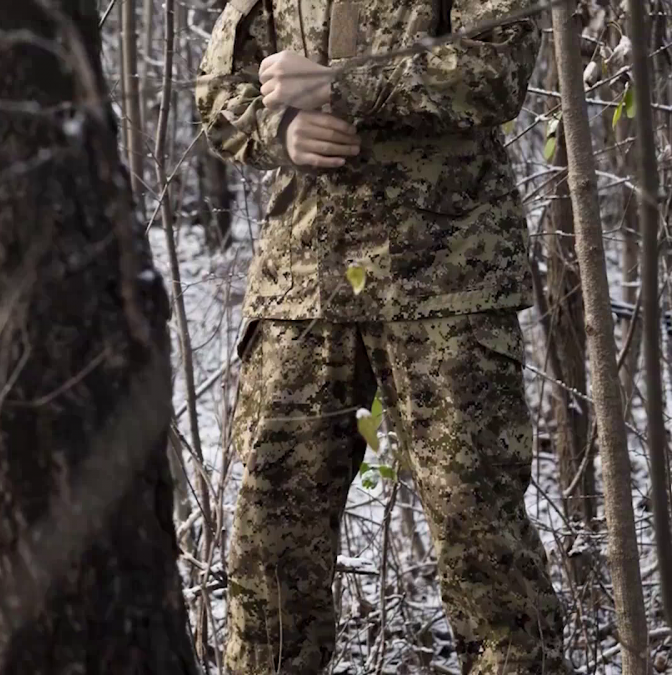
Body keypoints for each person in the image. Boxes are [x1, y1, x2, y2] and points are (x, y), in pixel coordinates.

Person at [195, 0, 568, 672]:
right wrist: (278, 130)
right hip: (303, 284)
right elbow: (220, 86)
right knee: (269, 554)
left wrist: (346, 83)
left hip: (446, 275)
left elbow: (498, 66)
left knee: (482, 546)